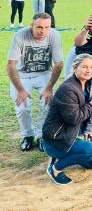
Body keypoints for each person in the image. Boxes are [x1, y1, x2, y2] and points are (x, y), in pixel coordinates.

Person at [41, 54, 92, 185]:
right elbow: (74, 118)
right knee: (91, 150)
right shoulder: (68, 89)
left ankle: (66, 155)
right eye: (84, 67)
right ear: (75, 68)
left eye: (91, 67)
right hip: (57, 139)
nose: (88, 70)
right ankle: (55, 168)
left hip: (75, 134)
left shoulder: (88, 84)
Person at [7, 13, 64, 151]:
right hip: (22, 75)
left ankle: (41, 135)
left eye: (47, 27)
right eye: (39, 27)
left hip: (44, 74)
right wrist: (20, 90)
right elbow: (10, 65)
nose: (43, 31)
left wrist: (49, 88)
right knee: (23, 106)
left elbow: (59, 64)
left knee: (48, 104)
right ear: (31, 26)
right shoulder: (20, 35)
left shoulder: (54, 35)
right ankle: (28, 135)